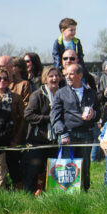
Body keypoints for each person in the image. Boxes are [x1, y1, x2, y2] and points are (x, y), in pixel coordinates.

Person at [51, 63, 99, 192]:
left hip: (86, 134)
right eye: (66, 74)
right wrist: (62, 133)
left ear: (80, 75)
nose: (67, 76)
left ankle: (84, 192)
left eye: (71, 74)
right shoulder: (61, 93)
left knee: (85, 166)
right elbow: (55, 117)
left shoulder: (91, 93)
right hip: (69, 134)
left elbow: (99, 113)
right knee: (67, 166)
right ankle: (67, 193)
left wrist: (94, 114)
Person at [23, 66, 61, 194]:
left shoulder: (62, 94)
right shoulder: (37, 95)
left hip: (54, 141)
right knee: (34, 170)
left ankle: (49, 195)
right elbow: (28, 115)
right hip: (38, 140)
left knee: (52, 170)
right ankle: (27, 196)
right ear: (45, 79)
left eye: (56, 75)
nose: (54, 78)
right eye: (51, 76)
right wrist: (47, 118)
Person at [0, 68, 22, 190]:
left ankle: (19, 194)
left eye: (5, 78)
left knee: (14, 168)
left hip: (11, 139)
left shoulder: (16, 97)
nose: (2, 81)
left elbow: (22, 120)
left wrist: (16, 139)